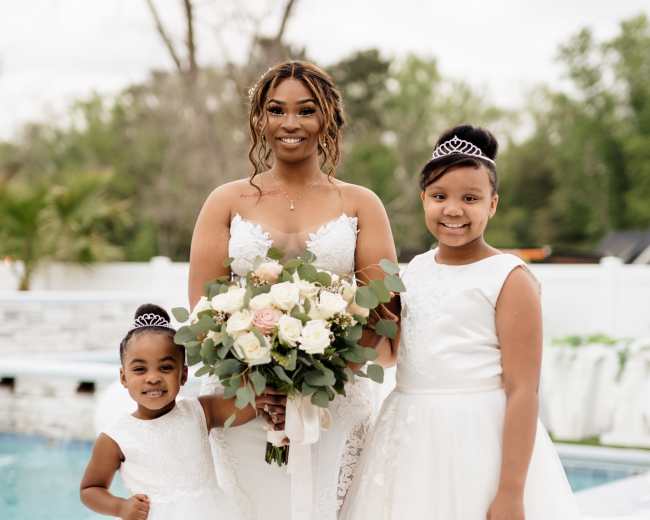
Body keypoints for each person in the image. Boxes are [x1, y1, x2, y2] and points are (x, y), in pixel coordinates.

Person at [188, 60, 398, 519]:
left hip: (335, 401)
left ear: (328, 119)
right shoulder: (225, 201)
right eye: (276, 110)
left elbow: (384, 314)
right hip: (242, 398)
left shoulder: (361, 203)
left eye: (306, 111)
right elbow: (203, 310)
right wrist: (258, 381)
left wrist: (310, 372)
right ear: (259, 118)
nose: (290, 123)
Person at [339, 125, 581, 519]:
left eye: (470, 198)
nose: (453, 210)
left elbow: (523, 390)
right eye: (439, 197)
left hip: (477, 439)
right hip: (408, 437)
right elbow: (391, 353)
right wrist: (325, 339)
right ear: (423, 200)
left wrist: (511, 491)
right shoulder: (413, 271)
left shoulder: (508, 277)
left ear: (493, 204)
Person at [80, 303, 260, 520]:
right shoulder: (115, 438)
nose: (153, 377)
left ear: (183, 375)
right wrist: (120, 507)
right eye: (139, 369)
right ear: (123, 377)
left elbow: (248, 407)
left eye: (165, 367)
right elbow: (90, 489)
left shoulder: (200, 411)